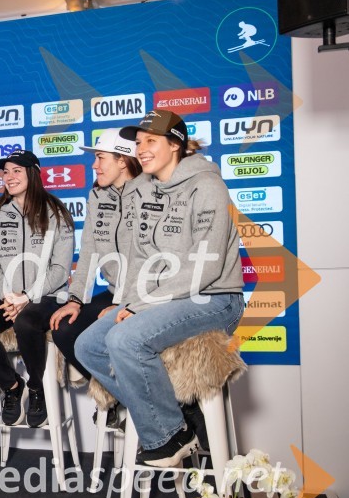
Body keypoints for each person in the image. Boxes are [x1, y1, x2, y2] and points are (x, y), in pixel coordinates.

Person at [74, 110, 245, 468]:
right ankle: (177, 419)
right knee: (87, 345)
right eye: (139, 143)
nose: (143, 149)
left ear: (175, 145)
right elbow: (140, 259)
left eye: (151, 141)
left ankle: (167, 434)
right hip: (165, 298)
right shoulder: (147, 190)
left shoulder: (207, 186)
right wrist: (127, 300)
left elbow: (207, 267)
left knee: (125, 339)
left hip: (214, 297)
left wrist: (141, 306)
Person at [0, 149, 75, 428]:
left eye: (17, 171)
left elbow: (61, 269)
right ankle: (12, 386)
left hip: (49, 296)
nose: (9, 177)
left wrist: (28, 297)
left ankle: (37, 389)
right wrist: (9, 297)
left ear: (33, 174)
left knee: (27, 322)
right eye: (5, 171)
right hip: (9, 296)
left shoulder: (56, 212)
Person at [48, 128, 141, 426]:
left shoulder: (152, 193)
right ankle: (118, 396)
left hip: (146, 296)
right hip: (115, 291)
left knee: (112, 330)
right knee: (64, 328)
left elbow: (153, 260)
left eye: (100, 158)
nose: (94, 165)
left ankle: (147, 407)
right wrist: (75, 299)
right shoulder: (97, 194)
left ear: (123, 160)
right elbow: (89, 250)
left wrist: (127, 303)